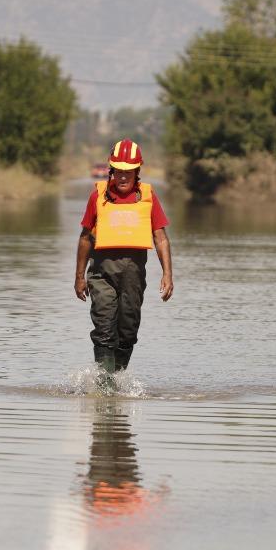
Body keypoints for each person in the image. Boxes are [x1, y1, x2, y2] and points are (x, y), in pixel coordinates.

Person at [74, 138, 174, 374]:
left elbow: (161, 238)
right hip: (101, 275)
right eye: (118, 171)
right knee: (104, 327)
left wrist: (168, 274)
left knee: (128, 331)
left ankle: (116, 377)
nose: (122, 177)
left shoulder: (148, 197)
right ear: (111, 170)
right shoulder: (97, 197)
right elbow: (85, 238)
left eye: (128, 172)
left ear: (137, 171)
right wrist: (79, 276)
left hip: (134, 277)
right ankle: (105, 382)